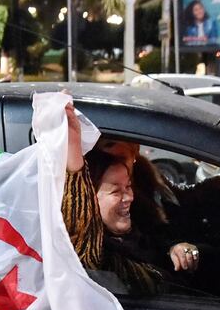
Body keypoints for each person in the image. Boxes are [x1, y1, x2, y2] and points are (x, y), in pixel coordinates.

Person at [63, 101, 199, 295]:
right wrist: (72, 146)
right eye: (116, 191)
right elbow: (79, 220)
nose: (128, 197)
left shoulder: (132, 232)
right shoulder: (98, 254)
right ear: (90, 198)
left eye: (128, 187)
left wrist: (173, 247)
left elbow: (163, 223)